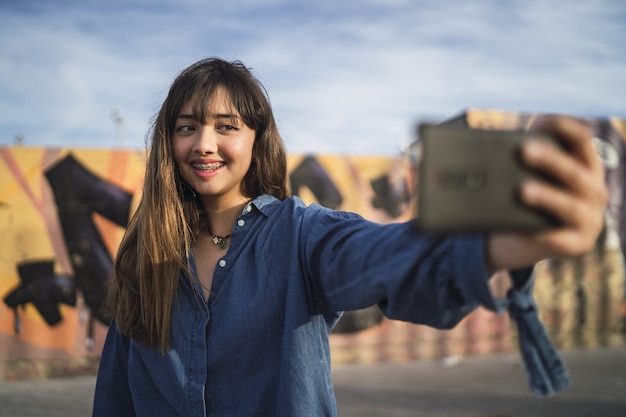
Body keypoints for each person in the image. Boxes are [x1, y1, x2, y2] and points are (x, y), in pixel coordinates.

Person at [92, 57, 608, 417]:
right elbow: (115, 399)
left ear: (256, 140)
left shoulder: (301, 235)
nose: (204, 144)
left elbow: (381, 255)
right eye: (186, 127)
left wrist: (496, 243)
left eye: (226, 126)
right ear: (168, 140)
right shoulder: (145, 256)